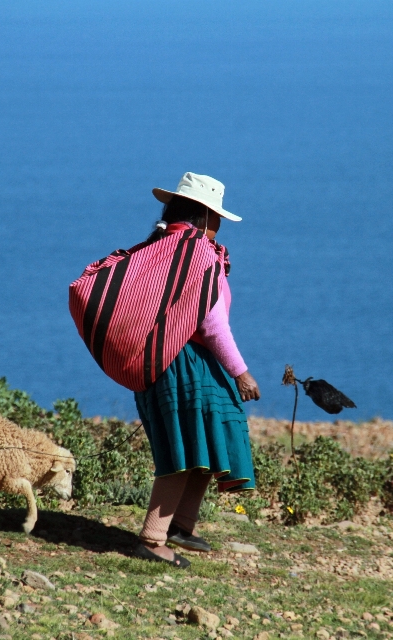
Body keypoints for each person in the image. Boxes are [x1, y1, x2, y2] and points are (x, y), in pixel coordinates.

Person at [130, 172, 260, 568]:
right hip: (186, 363)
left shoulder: (158, 246)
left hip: (158, 360)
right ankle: (153, 539)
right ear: (204, 215)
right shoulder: (199, 254)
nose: (218, 225)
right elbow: (211, 323)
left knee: (201, 437)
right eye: (216, 216)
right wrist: (240, 371)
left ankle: (181, 525)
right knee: (185, 448)